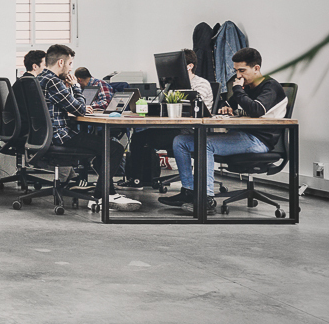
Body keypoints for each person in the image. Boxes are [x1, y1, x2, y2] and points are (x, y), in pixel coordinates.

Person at [160, 47, 287, 214]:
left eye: (242, 71)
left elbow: (256, 109)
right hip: (239, 136)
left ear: (256, 68)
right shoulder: (247, 86)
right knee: (180, 141)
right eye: (236, 71)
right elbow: (227, 104)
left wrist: (238, 90)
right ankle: (189, 192)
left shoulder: (270, 87)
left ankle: (206, 199)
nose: (238, 76)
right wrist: (226, 108)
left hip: (259, 141)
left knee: (205, 144)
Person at [37, 44, 141, 211]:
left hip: (45, 135)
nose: (70, 68)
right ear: (61, 62)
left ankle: (108, 192)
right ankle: (101, 196)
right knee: (114, 148)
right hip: (61, 136)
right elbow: (79, 109)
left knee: (103, 148)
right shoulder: (53, 81)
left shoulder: (39, 79)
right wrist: (76, 87)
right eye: (70, 64)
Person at [125, 49, 213, 189]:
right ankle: (137, 180)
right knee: (138, 137)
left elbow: (193, 106)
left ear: (189, 66)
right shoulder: (174, 86)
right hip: (175, 128)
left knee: (144, 138)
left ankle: (189, 187)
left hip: (191, 131)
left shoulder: (201, 84)